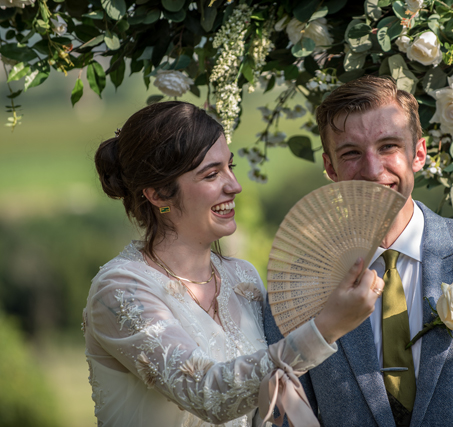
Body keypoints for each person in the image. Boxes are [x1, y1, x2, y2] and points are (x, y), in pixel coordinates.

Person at [263, 76, 453, 426]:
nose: (373, 170)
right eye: (352, 153)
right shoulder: (294, 291)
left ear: (418, 153)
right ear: (331, 167)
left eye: (388, 146)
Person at [83, 101, 384, 427]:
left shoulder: (243, 277)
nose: (234, 186)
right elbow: (207, 394)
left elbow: (264, 403)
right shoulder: (120, 289)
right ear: (157, 194)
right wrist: (328, 326)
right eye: (212, 174)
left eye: (231, 166)